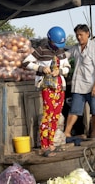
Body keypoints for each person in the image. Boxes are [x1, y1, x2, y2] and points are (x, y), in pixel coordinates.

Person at [22, 26, 71, 157]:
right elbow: (26, 63)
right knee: (47, 115)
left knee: (55, 116)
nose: (57, 46)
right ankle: (44, 146)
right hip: (47, 86)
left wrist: (60, 71)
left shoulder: (61, 52)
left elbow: (67, 68)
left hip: (60, 87)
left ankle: (51, 143)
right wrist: (41, 68)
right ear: (50, 40)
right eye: (56, 44)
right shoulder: (41, 51)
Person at [64, 24, 95, 139]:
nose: (78, 37)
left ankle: (93, 133)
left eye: (81, 35)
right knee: (74, 110)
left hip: (93, 86)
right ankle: (67, 132)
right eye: (77, 35)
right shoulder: (75, 48)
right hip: (78, 86)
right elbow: (64, 56)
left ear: (88, 34)